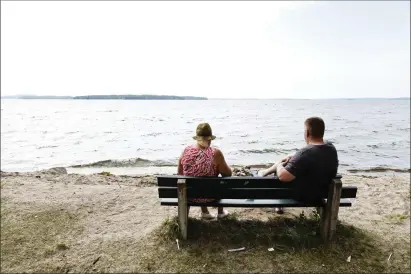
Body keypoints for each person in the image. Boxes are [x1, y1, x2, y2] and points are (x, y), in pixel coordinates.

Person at [258, 117, 339, 213]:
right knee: (290, 160)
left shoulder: (305, 153)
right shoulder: (331, 148)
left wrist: (279, 165)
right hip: (322, 194)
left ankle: (278, 202)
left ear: (307, 133)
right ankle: (266, 172)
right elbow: (310, 156)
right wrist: (294, 156)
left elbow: (283, 177)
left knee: (282, 169)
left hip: (304, 196)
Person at [178, 122, 232, 219]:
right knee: (219, 179)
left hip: (189, 195)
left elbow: (180, 174)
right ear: (210, 138)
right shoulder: (215, 153)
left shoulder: (185, 151)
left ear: (197, 138)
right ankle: (220, 212)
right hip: (210, 196)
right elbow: (228, 174)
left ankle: (205, 212)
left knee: (198, 177)